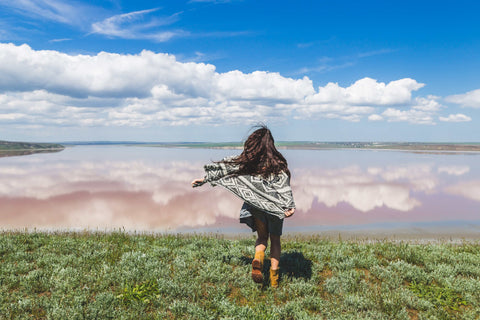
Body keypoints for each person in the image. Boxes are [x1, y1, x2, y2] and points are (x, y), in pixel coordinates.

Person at [191, 125, 295, 287]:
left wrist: (205, 179)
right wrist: (289, 205)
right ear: (270, 144)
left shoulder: (248, 163)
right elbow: (284, 185)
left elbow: (226, 167)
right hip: (275, 209)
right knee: (275, 239)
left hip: (255, 207)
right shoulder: (278, 164)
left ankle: (258, 259)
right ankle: (274, 281)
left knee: (262, 237)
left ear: (253, 144)